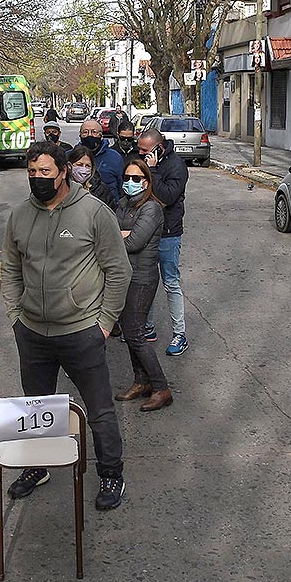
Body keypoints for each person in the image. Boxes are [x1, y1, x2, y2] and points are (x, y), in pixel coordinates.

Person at [1, 141, 132, 510]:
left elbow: (119, 271)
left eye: (45, 171)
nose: (37, 178)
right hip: (32, 333)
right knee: (35, 408)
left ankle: (111, 472)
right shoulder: (19, 216)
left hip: (81, 332)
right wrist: (15, 317)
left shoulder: (93, 212)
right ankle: (37, 466)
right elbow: (10, 269)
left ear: (63, 172)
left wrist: (104, 324)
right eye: (32, 172)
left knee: (99, 410)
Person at [113, 158, 171, 411]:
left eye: (136, 178)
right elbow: (110, 232)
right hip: (125, 275)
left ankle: (161, 388)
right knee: (129, 332)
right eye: (127, 178)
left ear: (146, 182)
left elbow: (133, 243)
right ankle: (141, 381)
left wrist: (120, 235)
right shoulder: (124, 204)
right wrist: (122, 234)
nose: (130, 182)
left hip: (142, 277)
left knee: (136, 334)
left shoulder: (151, 208)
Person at [137, 127, 190, 356]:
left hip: (168, 233)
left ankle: (179, 334)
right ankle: (147, 328)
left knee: (170, 283)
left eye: (144, 150)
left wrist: (152, 171)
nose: (140, 154)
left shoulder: (176, 166)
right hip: (146, 231)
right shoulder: (144, 161)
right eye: (139, 149)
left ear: (158, 148)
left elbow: (167, 196)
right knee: (145, 282)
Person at [79, 120, 124, 205]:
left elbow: (121, 187)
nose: (89, 135)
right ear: (80, 135)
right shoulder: (71, 156)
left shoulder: (114, 157)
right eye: (85, 132)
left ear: (101, 136)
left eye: (94, 132)